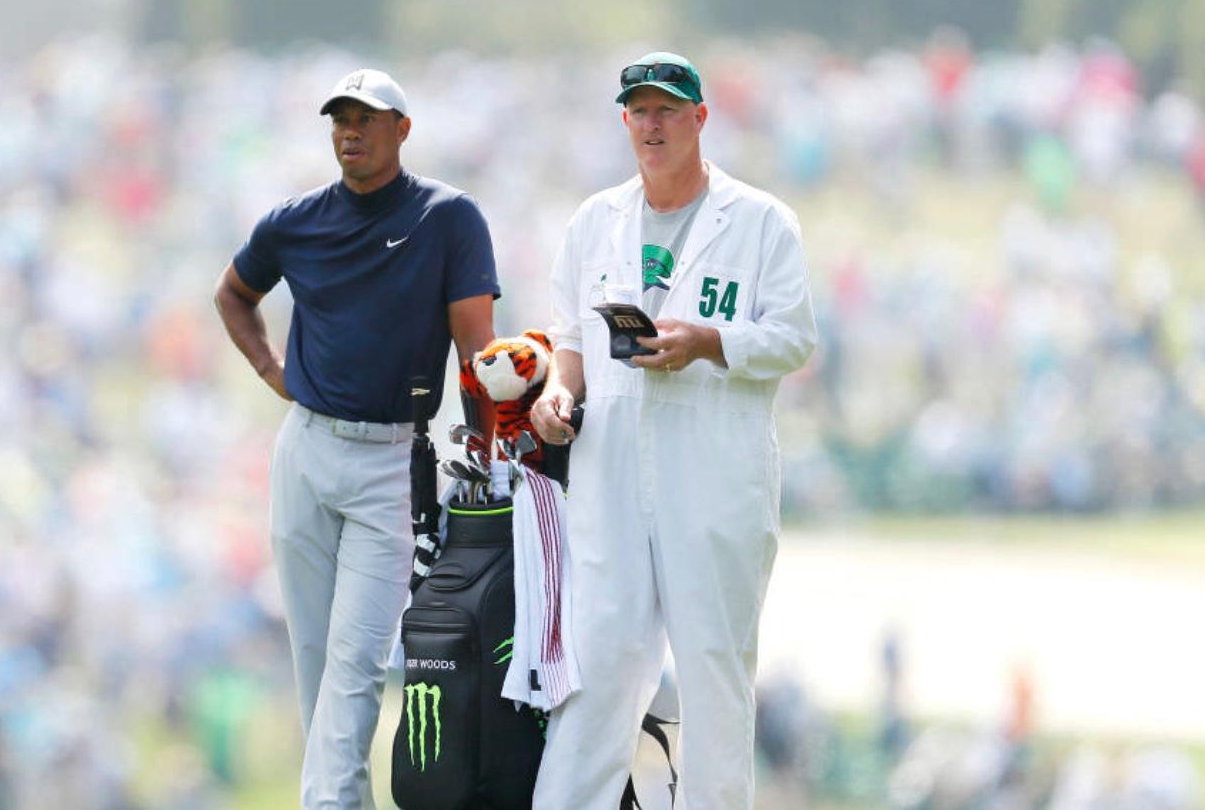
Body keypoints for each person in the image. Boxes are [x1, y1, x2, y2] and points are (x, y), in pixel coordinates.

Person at [530, 52, 817, 808]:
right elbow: (568, 336)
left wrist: (708, 343)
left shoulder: (760, 222)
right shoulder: (596, 220)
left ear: (700, 118)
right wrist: (557, 393)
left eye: (667, 109)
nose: (652, 125)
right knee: (598, 667)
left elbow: (793, 337)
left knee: (714, 669)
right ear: (625, 120)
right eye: (639, 111)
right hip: (612, 473)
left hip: (715, 477)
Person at [213, 68, 498, 808]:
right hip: (304, 450)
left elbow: (476, 344)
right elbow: (234, 294)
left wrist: (493, 430)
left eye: (366, 119)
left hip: (389, 463)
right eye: (340, 118)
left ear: (401, 130)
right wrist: (272, 370)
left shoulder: (448, 217)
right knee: (316, 661)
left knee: (358, 663)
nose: (349, 131)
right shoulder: (295, 221)